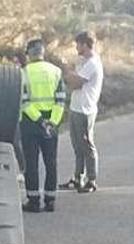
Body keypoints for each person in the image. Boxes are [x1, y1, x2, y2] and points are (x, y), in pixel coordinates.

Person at [20, 38, 66, 212]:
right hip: (51, 123)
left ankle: (33, 200)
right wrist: (52, 122)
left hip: (30, 122)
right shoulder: (56, 71)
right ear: (43, 52)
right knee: (50, 162)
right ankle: (50, 200)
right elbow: (61, 100)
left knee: (31, 163)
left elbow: (24, 102)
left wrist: (39, 120)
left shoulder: (24, 73)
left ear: (29, 54)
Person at [60, 31, 104, 193]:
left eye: (78, 44)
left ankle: (91, 180)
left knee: (86, 145)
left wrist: (66, 70)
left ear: (85, 44)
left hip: (85, 109)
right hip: (76, 107)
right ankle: (78, 177)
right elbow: (72, 82)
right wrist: (71, 75)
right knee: (77, 145)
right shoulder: (83, 62)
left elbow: (76, 83)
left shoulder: (92, 63)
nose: (76, 47)